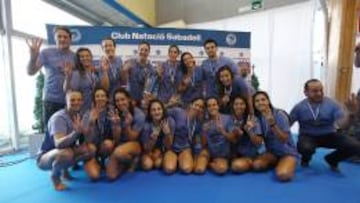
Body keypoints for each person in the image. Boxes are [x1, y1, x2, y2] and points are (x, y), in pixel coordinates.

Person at [290, 79, 360, 171]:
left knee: (355, 146)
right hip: (308, 136)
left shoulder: (332, 104)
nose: (319, 93)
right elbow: (288, 124)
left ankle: (332, 159)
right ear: (306, 92)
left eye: (321, 90)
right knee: (305, 148)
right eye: (315, 91)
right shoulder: (299, 107)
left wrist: (351, 114)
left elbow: (342, 125)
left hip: (329, 135)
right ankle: (305, 158)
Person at [36, 90, 96, 191]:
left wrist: (91, 124)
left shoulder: (79, 116)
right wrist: (75, 133)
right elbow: (58, 144)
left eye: (79, 100)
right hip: (45, 158)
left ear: (82, 102)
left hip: (64, 151)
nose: (76, 102)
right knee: (66, 154)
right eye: (72, 100)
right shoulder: (59, 118)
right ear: (66, 101)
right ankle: (55, 177)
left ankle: (64, 169)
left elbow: (88, 140)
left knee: (91, 149)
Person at [26, 26, 76, 128]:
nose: (62, 39)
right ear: (55, 39)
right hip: (51, 101)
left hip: (70, 102)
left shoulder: (75, 57)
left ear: (70, 39)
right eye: (59, 36)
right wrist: (32, 58)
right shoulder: (46, 53)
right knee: (51, 136)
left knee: (70, 135)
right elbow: (30, 72)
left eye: (65, 37)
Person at [252, 91, 297, 182]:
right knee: (256, 165)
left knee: (283, 175)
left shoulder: (280, 114)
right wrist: (250, 131)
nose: (260, 102)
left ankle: (287, 162)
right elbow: (259, 142)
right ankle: (277, 162)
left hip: (287, 152)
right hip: (272, 152)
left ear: (268, 101)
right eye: (257, 101)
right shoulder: (257, 118)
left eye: (263, 100)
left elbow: (284, 139)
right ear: (254, 104)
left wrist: (273, 124)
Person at [106, 88, 145, 180]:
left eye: (123, 99)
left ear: (129, 99)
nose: (120, 103)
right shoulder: (114, 114)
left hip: (135, 145)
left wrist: (127, 125)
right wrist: (116, 126)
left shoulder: (139, 114)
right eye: (117, 101)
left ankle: (134, 159)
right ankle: (126, 162)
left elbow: (133, 138)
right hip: (120, 145)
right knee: (111, 176)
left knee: (118, 152)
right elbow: (116, 140)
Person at [167, 97, 207, 174]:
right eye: (196, 105)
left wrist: (195, 158)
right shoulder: (177, 111)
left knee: (187, 169)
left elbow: (197, 142)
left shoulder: (198, 123)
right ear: (190, 105)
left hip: (185, 149)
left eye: (201, 107)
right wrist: (169, 105)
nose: (198, 108)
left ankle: (181, 159)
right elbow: (162, 113)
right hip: (171, 148)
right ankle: (174, 159)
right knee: (169, 169)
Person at [82, 87, 113, 177]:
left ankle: (103, 161)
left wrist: (116, 125)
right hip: (91, 147)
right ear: (94, 99)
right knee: (94, 176)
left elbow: (115, 137)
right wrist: (91, 123)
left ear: (107, 98)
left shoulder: (112, 112)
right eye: (97, 96)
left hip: (104, 145)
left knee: (109, 144)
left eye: (103, 96)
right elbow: (87, 139)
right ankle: (92, 160)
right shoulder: (87, 114)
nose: (100, 98)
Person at [230, 95, 263, 173]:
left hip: (250, 155)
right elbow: (232, 141)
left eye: (242, 104)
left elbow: (259, 143)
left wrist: (249, 131)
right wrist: (235, 134)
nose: (239, 106)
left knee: (236, 167)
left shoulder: (253, 119)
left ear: (246, 106)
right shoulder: (230, 119)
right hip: (236, 153)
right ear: (233, 106)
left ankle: (253, 162)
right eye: (236, 104)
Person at [140, 99, 175, 172]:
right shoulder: (146, 126)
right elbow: (146, 149)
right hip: (148, 150)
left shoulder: (170, 122)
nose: (157, 112)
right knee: (147, 165)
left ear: (163, 110)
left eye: (159, 109)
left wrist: (167, 134)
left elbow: (169, 146)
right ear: (150, 113)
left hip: (163, 150)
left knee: (158, 164)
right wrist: (153, 138)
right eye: (153, 110)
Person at [201, 97, 234, 175]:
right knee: (200, 169)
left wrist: (223, 132)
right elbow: (203, 144)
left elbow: (233, 139)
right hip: (210, 152)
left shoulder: (228, 118)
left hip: (223, 154)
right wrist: (204, 132)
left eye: (214, 105)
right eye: (209, 106)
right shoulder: (205, 122)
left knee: (221, 169)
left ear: (218, 106)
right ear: (207, 109)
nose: (212, 107)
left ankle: (210, 164)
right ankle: (209, 162)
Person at [63, 47, 97, 113]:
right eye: (82, 56)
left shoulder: (92, 73)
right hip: (78, 110)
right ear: (78, 59)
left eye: (87, 56)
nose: (85, 58)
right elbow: (67, 91)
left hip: (89, 109)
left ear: (91, 57)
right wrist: (67, 77)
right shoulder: (76, 74)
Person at [122, 41, 156, 107]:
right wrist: (125, 71)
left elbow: (149, 88)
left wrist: (145, 100)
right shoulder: (130, 62)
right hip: (129, 99)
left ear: (149, 52)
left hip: (142, 101)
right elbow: (123, 81)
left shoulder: (151, 69)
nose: (143, 52)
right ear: (138, 50)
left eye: (146, 50)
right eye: (141, 49)